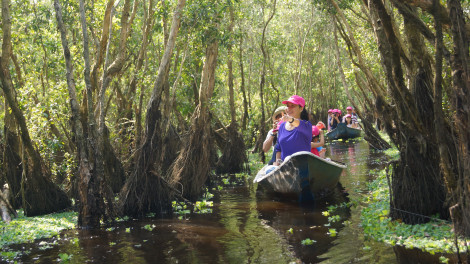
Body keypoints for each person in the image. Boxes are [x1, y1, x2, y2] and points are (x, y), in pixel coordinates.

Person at [273, 95, 312, 166]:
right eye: (288, 106)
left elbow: (299, 124)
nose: (289, 108)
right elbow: (278, 149)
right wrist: (277, 165)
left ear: (301, 109)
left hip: (303, 166)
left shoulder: (307, 125)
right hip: (286, 168)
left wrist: (290, 119)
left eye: (292, 106)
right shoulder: (282, 126)